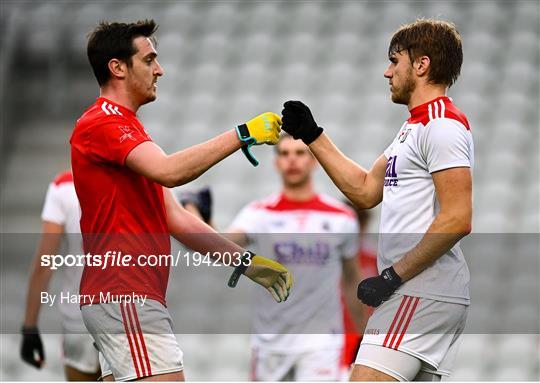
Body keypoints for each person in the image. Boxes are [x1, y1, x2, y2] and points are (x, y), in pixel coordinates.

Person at [70, 20, 292, 381]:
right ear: (118, 67)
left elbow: (174, 217)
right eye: (149, 60)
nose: (160, 70)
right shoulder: (105, 122)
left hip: (125, 296)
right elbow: (171, 171)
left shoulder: (127, 128)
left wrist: (245, 262)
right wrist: (242, 134)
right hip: (125, 293)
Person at [280, 18, 473, 381]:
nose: (387, 72)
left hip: (419, 292)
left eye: (394, 61)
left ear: (421, 65)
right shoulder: (414, 126)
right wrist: (312, 135)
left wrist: (391, 277)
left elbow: (457, 218)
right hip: (420, 293)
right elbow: (366, 190)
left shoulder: (441, 124)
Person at [223, 135, 366, 381]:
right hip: (270, 343)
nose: (292, 161)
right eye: (285, 154)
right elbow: (219, 245)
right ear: (276, 162)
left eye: (300, 153)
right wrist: (193, 218)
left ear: (314, 161)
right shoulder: (258, 214)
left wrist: (364, 336)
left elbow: (352, 279)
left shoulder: (341, 217)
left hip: (322, 345)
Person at [20, 171, 100, 381]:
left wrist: (29, 326)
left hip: (80, 319)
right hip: (129, 320)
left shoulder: (63, 187)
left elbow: (44, 264)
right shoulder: (138, 177)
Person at [340, 206, 377, 378]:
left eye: (361, 220)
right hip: (335, 335)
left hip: (364, 337)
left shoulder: (377, 260)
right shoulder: (330, 258)